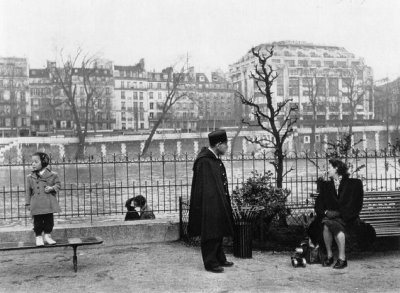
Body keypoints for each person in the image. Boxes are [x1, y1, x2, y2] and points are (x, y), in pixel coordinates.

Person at [188, 129, 235, 273]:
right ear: (218, 144)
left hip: (216, 201)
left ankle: (219, 257)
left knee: (218, 229)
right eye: (225, 144)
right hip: (209, 203)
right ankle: (210, 262)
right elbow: (205, 187)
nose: (227, 147)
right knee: (210, 231)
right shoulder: (205, 161)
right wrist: (212, 204)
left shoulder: (212, 159)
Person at [310, 159, 364, 269]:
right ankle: (334, 257)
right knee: (327, 225)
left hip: (348, 218)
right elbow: (319, 205)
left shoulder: (354, 184)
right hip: (331, 218)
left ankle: (340, 257)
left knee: (329, 225)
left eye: (329, 167)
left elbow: (356, 204)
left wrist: (340, 214)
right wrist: (326, 212)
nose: (327, 170)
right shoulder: (326, 185)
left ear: (337, 169)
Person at [25, 152, 61, 246]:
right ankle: (38, 237)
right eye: (32, 162)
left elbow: (58, 185)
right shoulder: (29, 177)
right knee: (37, 222)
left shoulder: (53, 175)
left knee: (49, 221)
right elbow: (28, 191)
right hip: (36, 203)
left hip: (48, 202)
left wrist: (51, 188)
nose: (33, 164)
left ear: (44, 162)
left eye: (36, 162)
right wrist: (27, 204)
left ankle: (48, 236)